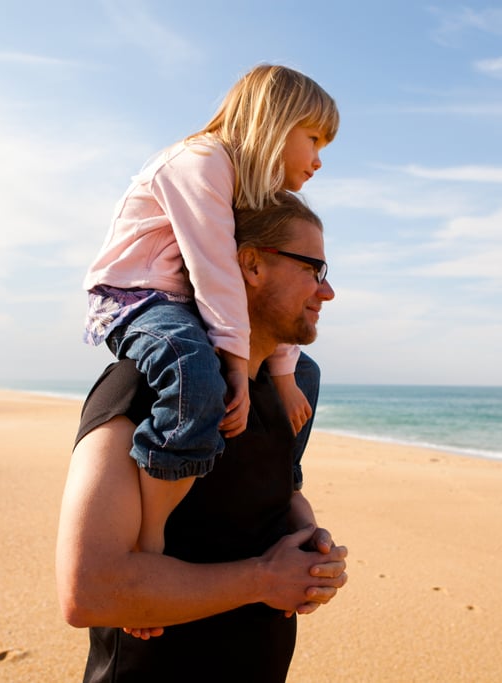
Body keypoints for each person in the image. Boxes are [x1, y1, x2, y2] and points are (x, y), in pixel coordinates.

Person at [57, 192, 347, 682]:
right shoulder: (148, 386)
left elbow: (275, 493)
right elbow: (88, 590)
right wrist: (262, 579)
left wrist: (312, 549)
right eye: (313, 269)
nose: (328, 292)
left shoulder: (282, 392)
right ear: (251, 264)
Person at [80, 64, 339, 555]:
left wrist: (283, 375)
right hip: (138, 295)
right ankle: (150, 531)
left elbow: (259, 298)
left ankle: (285, 484)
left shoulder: (249, 188)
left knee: (305, 374)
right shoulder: (199, 162)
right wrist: (236, 367)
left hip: (186, 297)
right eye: (313, 139)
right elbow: (218, 273)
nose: (318, 160)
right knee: (194, 369)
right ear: (275, 122)